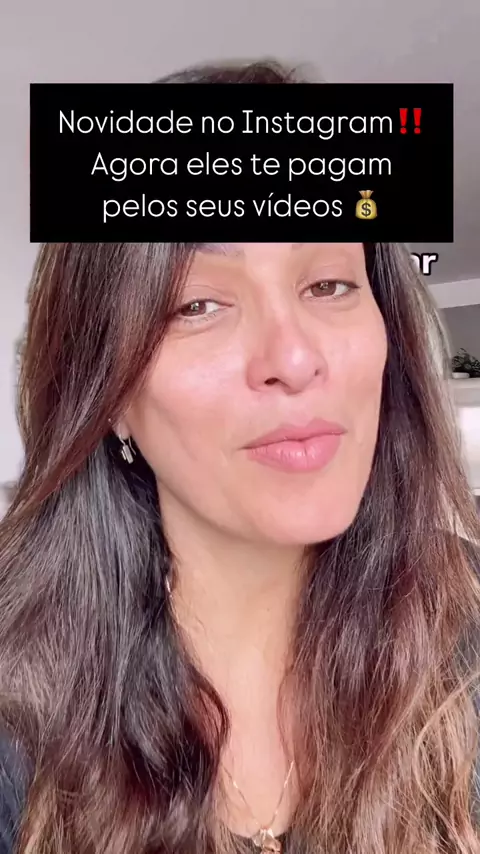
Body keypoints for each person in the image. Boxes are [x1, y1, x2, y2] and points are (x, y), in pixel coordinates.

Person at [0, 61, 480, 854]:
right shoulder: (18, 725)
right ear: (107, 393)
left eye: (328, 284)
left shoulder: (464, 630)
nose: (293, 357)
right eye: (198, 304)